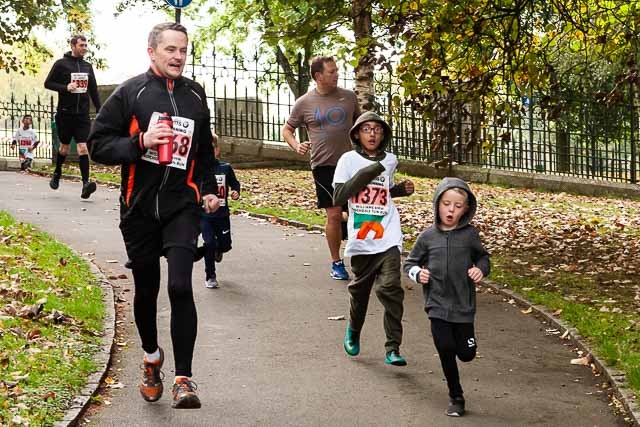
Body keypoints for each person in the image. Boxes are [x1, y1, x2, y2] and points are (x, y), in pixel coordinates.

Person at [87, 22, 220, 409]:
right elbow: (98, 145)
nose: (178, 56)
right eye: (171, 50)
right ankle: (150, 358)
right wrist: (140, 142)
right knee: (147, 290)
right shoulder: (132, 92)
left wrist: (209, 190)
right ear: (152, 52)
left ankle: (184, 379)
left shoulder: (196, 94)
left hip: (182, 204)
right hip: (140, 208)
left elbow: (204, 154)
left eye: (183, 50)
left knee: (180, 286)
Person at [333, 111, 415, 366]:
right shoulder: (347, 160)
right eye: (367, 129)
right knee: (360, 292)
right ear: (357, 134)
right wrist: (372, 170)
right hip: (361, 236)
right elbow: (339, 196)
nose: (372, 134)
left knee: (391, 288)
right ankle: (354, 331)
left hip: (388, 233)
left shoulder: (390, 160)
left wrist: (399, 190)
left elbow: (382, 192)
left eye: (377, 130)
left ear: (383, 135)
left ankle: (393, 348)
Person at [403, 177, 490, 417]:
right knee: (445, 346)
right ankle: (456, 396)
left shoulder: (470, 235)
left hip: (463, 306)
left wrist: (480, 269)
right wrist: (417, 273)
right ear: (437, 204)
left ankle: (468, 347)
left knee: (466, 353)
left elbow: (484, 258)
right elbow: (409, 263)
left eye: (458, 205)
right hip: (437, 304)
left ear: (466, 209)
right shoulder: (427, 237)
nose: (451, 210)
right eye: (446, 203)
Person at [282, 56, 360, 281]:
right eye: (331, 71)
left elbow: (361, 125)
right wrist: (297, 145)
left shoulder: (349, 97)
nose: (336, 74)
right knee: (334, 214)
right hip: (323, 165)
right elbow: (287, 129)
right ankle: (337, 262)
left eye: (336, 71)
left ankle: (362, 258)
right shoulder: (305, 102)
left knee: (356, 212)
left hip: (350, 164)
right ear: (318, 76)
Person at [44, 34, 101, 199]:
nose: (85, 48)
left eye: (85, 45)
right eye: (82, 45)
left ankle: (85, 184)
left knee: (83, 148)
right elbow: (48, 83)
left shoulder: (87, 67)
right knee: (64, 147)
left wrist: (99, 109)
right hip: (65, 114)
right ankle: (57, 173)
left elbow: (93, 90)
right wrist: (65, 87)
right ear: (73, 46)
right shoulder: (61, 64)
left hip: (82, 115)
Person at [198, 134, 240, 289]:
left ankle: (218, 249)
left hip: (222, 215)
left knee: (225, 244)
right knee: (208, 243)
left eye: (211, 149)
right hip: (206, 215)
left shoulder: (225, 168)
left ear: (217, 150)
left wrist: (236, 192)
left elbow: (235, 184)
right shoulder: (199, 170)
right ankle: (210, 275)